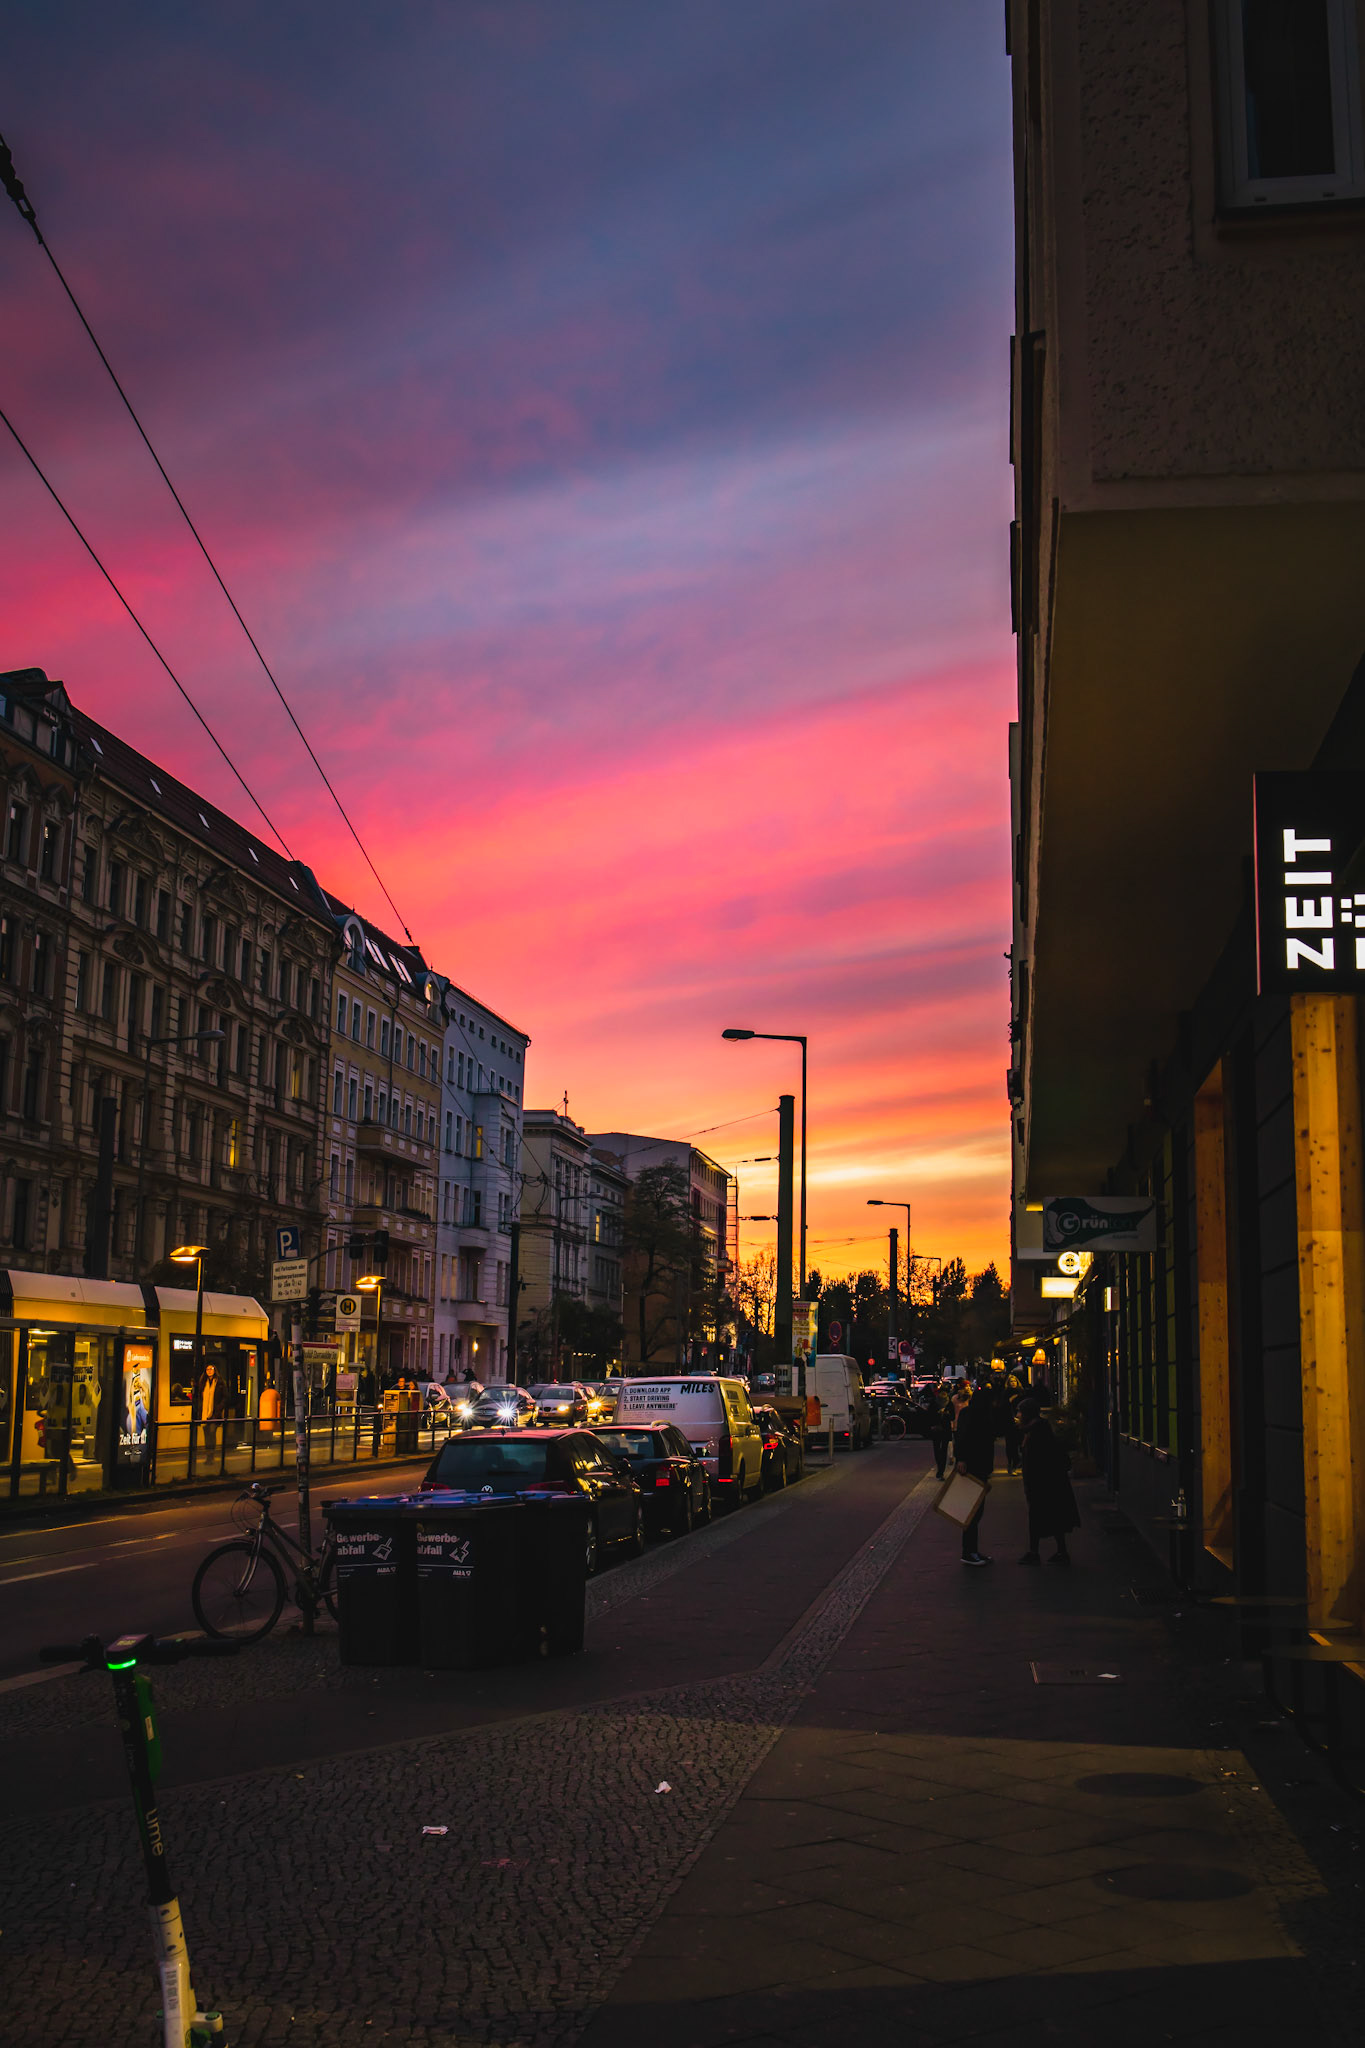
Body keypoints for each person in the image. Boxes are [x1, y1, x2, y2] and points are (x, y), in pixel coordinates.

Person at [1017, 1399, 1079, 1565]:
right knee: (1053, 1515)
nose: (1018, 1415)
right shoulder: (1038, 1427)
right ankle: (1060, 1551)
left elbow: (1038, 1459)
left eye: (1020, 1412)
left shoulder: (1035, 1431)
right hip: (1050, 1481)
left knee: (1038, 1515)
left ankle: (1035, 1552)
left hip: (1043, 1482)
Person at [953, 1382, 997, 1565]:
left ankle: (972, 1550)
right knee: (973, 1511)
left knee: (975, 1511)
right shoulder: (975, 1415)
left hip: (977, 1466)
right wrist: (961, 1458)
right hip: (974, 1467)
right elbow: (962, 1437)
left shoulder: (976, 1414)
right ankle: (969, 1552)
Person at [197, 1361, 226, 1463]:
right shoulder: (202, 1382)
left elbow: (224, 1397)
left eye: (211, 1369)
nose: (209, 1371)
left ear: (215, 1370)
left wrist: (218, 1409)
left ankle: (211, 1455)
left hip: (215, 1413)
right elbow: (199, 1397)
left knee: (212, 1433)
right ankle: (208, 1456)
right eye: (207, 1369)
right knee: (206, 1435)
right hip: (205, 1414)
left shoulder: (219, 1382)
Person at [928, 1383, 953, 1479]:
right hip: (945, 1429)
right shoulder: (949, 1403)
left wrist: (932, 1424)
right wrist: (947, 1414)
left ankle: (940, 1469)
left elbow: (929, 1415)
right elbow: (953, 1416)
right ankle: (941, 1470)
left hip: (936, 1429)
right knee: (943, 1450)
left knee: (937, 1450)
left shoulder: (934, 1402)